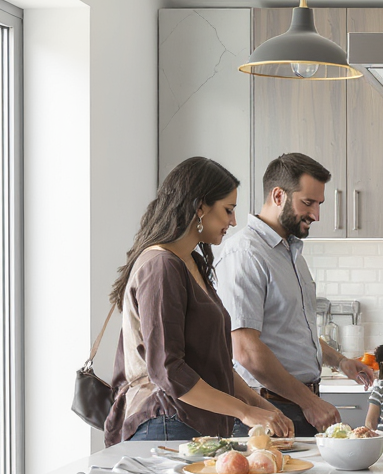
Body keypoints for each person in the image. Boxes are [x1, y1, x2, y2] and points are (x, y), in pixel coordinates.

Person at [103, 157, 291, 445]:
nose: (233, 221)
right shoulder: (162, 266)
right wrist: (244, 412)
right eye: (228, 210)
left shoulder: (189, 262)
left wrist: (261, 406)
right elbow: (169, 371)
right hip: (167, 423)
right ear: (200, 207)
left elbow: (214, 366)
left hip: (189, 425)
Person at [216, 152, 375, 439]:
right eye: (308, 203)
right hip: (270, 411)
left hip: (297, 406)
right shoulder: (245, 254)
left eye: (319, 204)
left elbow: (293, 330)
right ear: (278, 196)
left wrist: (340, 361)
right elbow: (245, 350)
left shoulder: (291, 253)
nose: (316, 215)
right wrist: (309, 401)